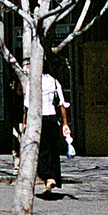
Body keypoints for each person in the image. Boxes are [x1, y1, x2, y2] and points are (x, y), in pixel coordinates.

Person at [37, 68, 70, 196]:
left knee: (40, 150)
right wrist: (65, 123)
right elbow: (62, 104)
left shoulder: (33, 82)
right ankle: (52, 177)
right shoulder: (55, 82)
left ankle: (48, 177)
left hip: (39, 118)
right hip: (52, 118)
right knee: (53, 150)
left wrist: (25, 122)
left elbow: (27, 105)